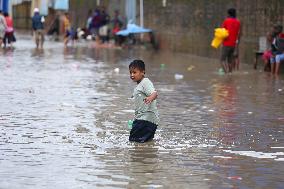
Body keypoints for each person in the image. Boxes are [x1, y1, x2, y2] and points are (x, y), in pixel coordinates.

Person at [128, 59, 159, 143]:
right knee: (144, 144)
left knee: (133, 142)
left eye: (134, 72)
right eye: (130, 72)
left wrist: (150, 98)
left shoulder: (145, 82)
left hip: (145, 120)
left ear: (142, 72)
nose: (132, 75)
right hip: (147, 120)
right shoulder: (140, 85)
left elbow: (155, 93)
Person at [220, 8, 241, 73]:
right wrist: (237, 43)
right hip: (233, 44)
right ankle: (230, 73)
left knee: (222, 60)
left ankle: (226, 73)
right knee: (230, 60)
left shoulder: (226, 21)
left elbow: (222, 32)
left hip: (226, 43)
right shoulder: (238, 22)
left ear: (229, 14)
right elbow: (239, 33)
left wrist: (221, 43)